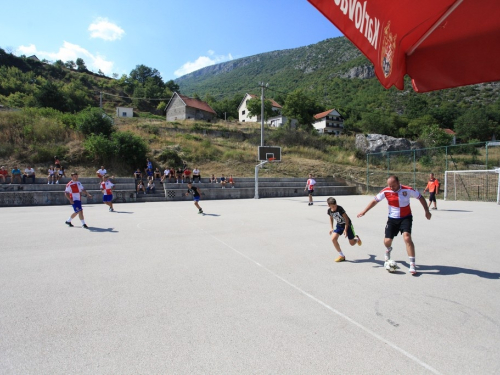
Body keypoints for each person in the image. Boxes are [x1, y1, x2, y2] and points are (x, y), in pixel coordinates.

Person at [357, 175, 432, 275]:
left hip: (406, 218)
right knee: (387, 241)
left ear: (398, 182)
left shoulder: (408, 190)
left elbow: (421, 198)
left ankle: (412, 264)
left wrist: (426, 211)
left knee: (407, 238)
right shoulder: (386, 191)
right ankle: (388, 249)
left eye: (393, 186)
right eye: (389, 186)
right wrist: (364, 211)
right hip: (392, 219)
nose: (391, 188)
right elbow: (375, 201)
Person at [327, 197, 362, 262]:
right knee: (333, 239)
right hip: (339, 225)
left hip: (347, 225)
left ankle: (357, 239)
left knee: (351, 243)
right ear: (328, 206)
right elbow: (331, 218)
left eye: (335, 206)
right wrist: (331, 228)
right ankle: (341, 256)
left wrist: (345, 230)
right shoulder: (329, 211)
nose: (334, 207)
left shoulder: (340, 208)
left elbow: (346, 219)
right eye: (332, 207)